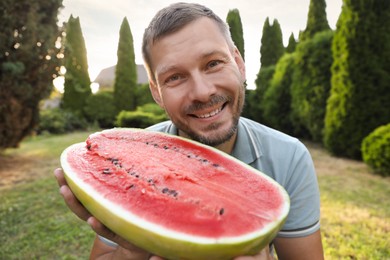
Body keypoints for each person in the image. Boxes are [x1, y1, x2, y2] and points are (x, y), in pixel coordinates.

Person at [54, 2, 324, 259]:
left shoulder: (289, 158)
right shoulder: (130, 159)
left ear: (239, 64)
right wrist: (131, 250)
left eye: (213, 64)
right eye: (175, 77)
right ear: (156, 93)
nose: (203, 92)